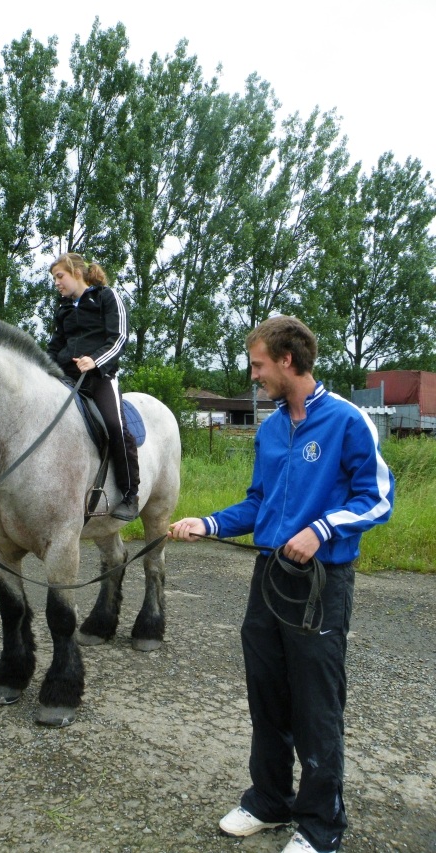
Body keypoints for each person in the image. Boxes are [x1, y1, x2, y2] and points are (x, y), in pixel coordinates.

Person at [169, 316, 394, 853]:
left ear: (288, 360)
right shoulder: (270, 429)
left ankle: (320, 826)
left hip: (321, 583)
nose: (254, 377)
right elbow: (258, 503)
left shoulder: (347, 420)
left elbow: (378, 498)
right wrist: (210, 523)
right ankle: (269, 800)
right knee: (266, 694)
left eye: (258, 365)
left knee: (316, 703)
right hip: (268, 577)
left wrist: (320, 530)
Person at [47, 251, 140, 522]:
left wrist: (95, 360)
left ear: (77, 272)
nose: (57, 283)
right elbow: (55, 347)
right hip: (66, 378)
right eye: (54, 278)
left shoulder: (106, 297)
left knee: (115, 426)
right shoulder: (63, 309)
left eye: (59, 276)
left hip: (100, 378)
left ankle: (130, 493)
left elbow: (119, 337)